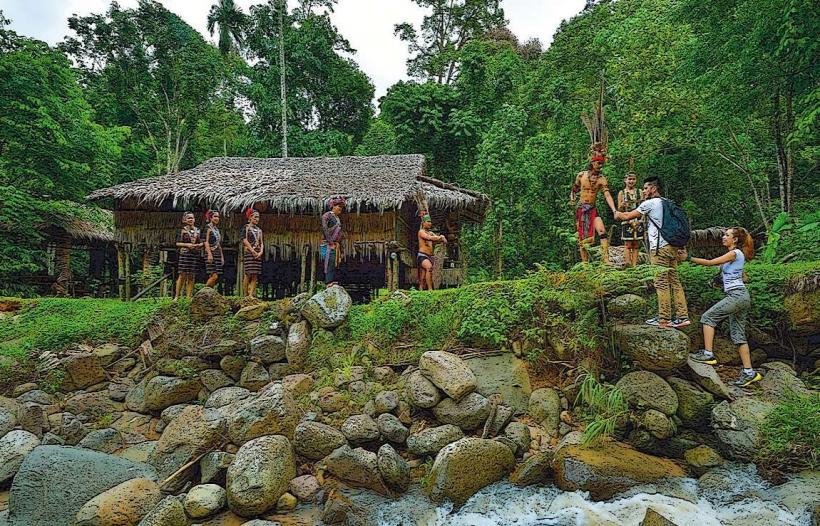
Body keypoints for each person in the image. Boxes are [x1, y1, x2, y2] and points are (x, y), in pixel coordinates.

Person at [682, 227, 761, 387]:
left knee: (708, 318)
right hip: (741, 296)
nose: (723, 237)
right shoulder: (738, 256)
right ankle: (749, 373)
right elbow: (744, 277)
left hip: (737, 296)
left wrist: (687, 257)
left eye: (727, 235)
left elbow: (710, 262)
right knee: (738, 336)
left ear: (735, 240)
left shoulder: (734, 253)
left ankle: (708, 354)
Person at [615, 176, 689, 328]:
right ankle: (682, 317)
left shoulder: (650, 203)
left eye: (646, 188)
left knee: (661, 283)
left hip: (659, 249)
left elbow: (627, 216)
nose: (643, 191)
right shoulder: (668, 202)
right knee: (674, 281)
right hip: (672, 247)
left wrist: (616, 213)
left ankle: (664, 319)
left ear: (653, 189)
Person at [570, 151, 617, 264]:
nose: (600, 165)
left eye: (602, 163)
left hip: (592, 208)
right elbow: (574, 189)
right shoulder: (581, 175)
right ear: (592, 162)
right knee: (583, 238)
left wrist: (614, 209)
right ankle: (585, 264)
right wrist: (572, 198)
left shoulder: (602, 179)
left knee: (602, 231)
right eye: (598, 163)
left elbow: (607, 195)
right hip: (581, 209)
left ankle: (606, 260)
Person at [617, 170, 643, 267]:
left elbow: (644, 205)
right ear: (625, 180)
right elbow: (618, 209)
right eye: (629, 179)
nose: (631, 181)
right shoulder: (621, 193)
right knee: (627, 244)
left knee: (636, 244)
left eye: (633, 179)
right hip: (627, 220)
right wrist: (622, 205)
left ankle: (635, 265)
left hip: (638, 220)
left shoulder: (640, 192)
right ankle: (628, 264)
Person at [174, 211, 202, 300]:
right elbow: (177, 243)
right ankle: (177, 296)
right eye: (189, 218)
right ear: (184, 220)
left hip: (194, 255)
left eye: (192, 218)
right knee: (182, 275)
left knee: (191, 275)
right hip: (185, 254)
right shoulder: (182, 230)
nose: (191, 219)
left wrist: (199, 245)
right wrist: (187, 245)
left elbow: (202, 242)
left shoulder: (198, 230)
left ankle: (189, 297)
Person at [417, 212, 447, 291]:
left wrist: (442, 237)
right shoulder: (421, 232)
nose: (430, 223)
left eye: (430, 222)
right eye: (428, 222)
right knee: (429, 267)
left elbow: (436, 238)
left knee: (423, 276)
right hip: (422, 255)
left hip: (429, 256)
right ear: (423, 223)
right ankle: (430, 290)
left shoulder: (430, 233)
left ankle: (420, 291)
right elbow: (429, 238)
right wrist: (439, 237)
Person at [321, 197, 345, 287]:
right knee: (329, 262)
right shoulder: (327, 215)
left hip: (335, 244)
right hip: (328, 244)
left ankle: (332, 280)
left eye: (341, 209)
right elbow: (324, 228)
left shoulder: (337, 218)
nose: (340, 210)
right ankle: (328, 281)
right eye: (339, 208)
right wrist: (330, 242)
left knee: (335, 263)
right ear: (333, 207)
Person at [242, 208, 263, 298]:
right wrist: (252, 250)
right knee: (248, 273)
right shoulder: (246, 228)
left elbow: (262, 243)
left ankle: (251, 295)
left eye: (258, 217)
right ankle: (245, 294)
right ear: (250, 217)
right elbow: (244, 240)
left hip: (257, 254)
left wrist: (261, 252)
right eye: (255, 217)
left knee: (255, 274)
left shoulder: (259, 230)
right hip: (249, 252)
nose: (257, 219)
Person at [203, 209, 224, 288]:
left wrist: (221, 256)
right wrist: (209, 254)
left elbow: (219, 244)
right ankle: (203, 292)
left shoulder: (217, 229)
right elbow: (206, 242)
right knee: (214, 276)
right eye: (215, 216)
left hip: (217, 253)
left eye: (218, 217)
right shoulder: (207, 228)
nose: (217, 218)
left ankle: (210, 295)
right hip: (210, 252)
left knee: (214, 275)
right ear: (210, 218)